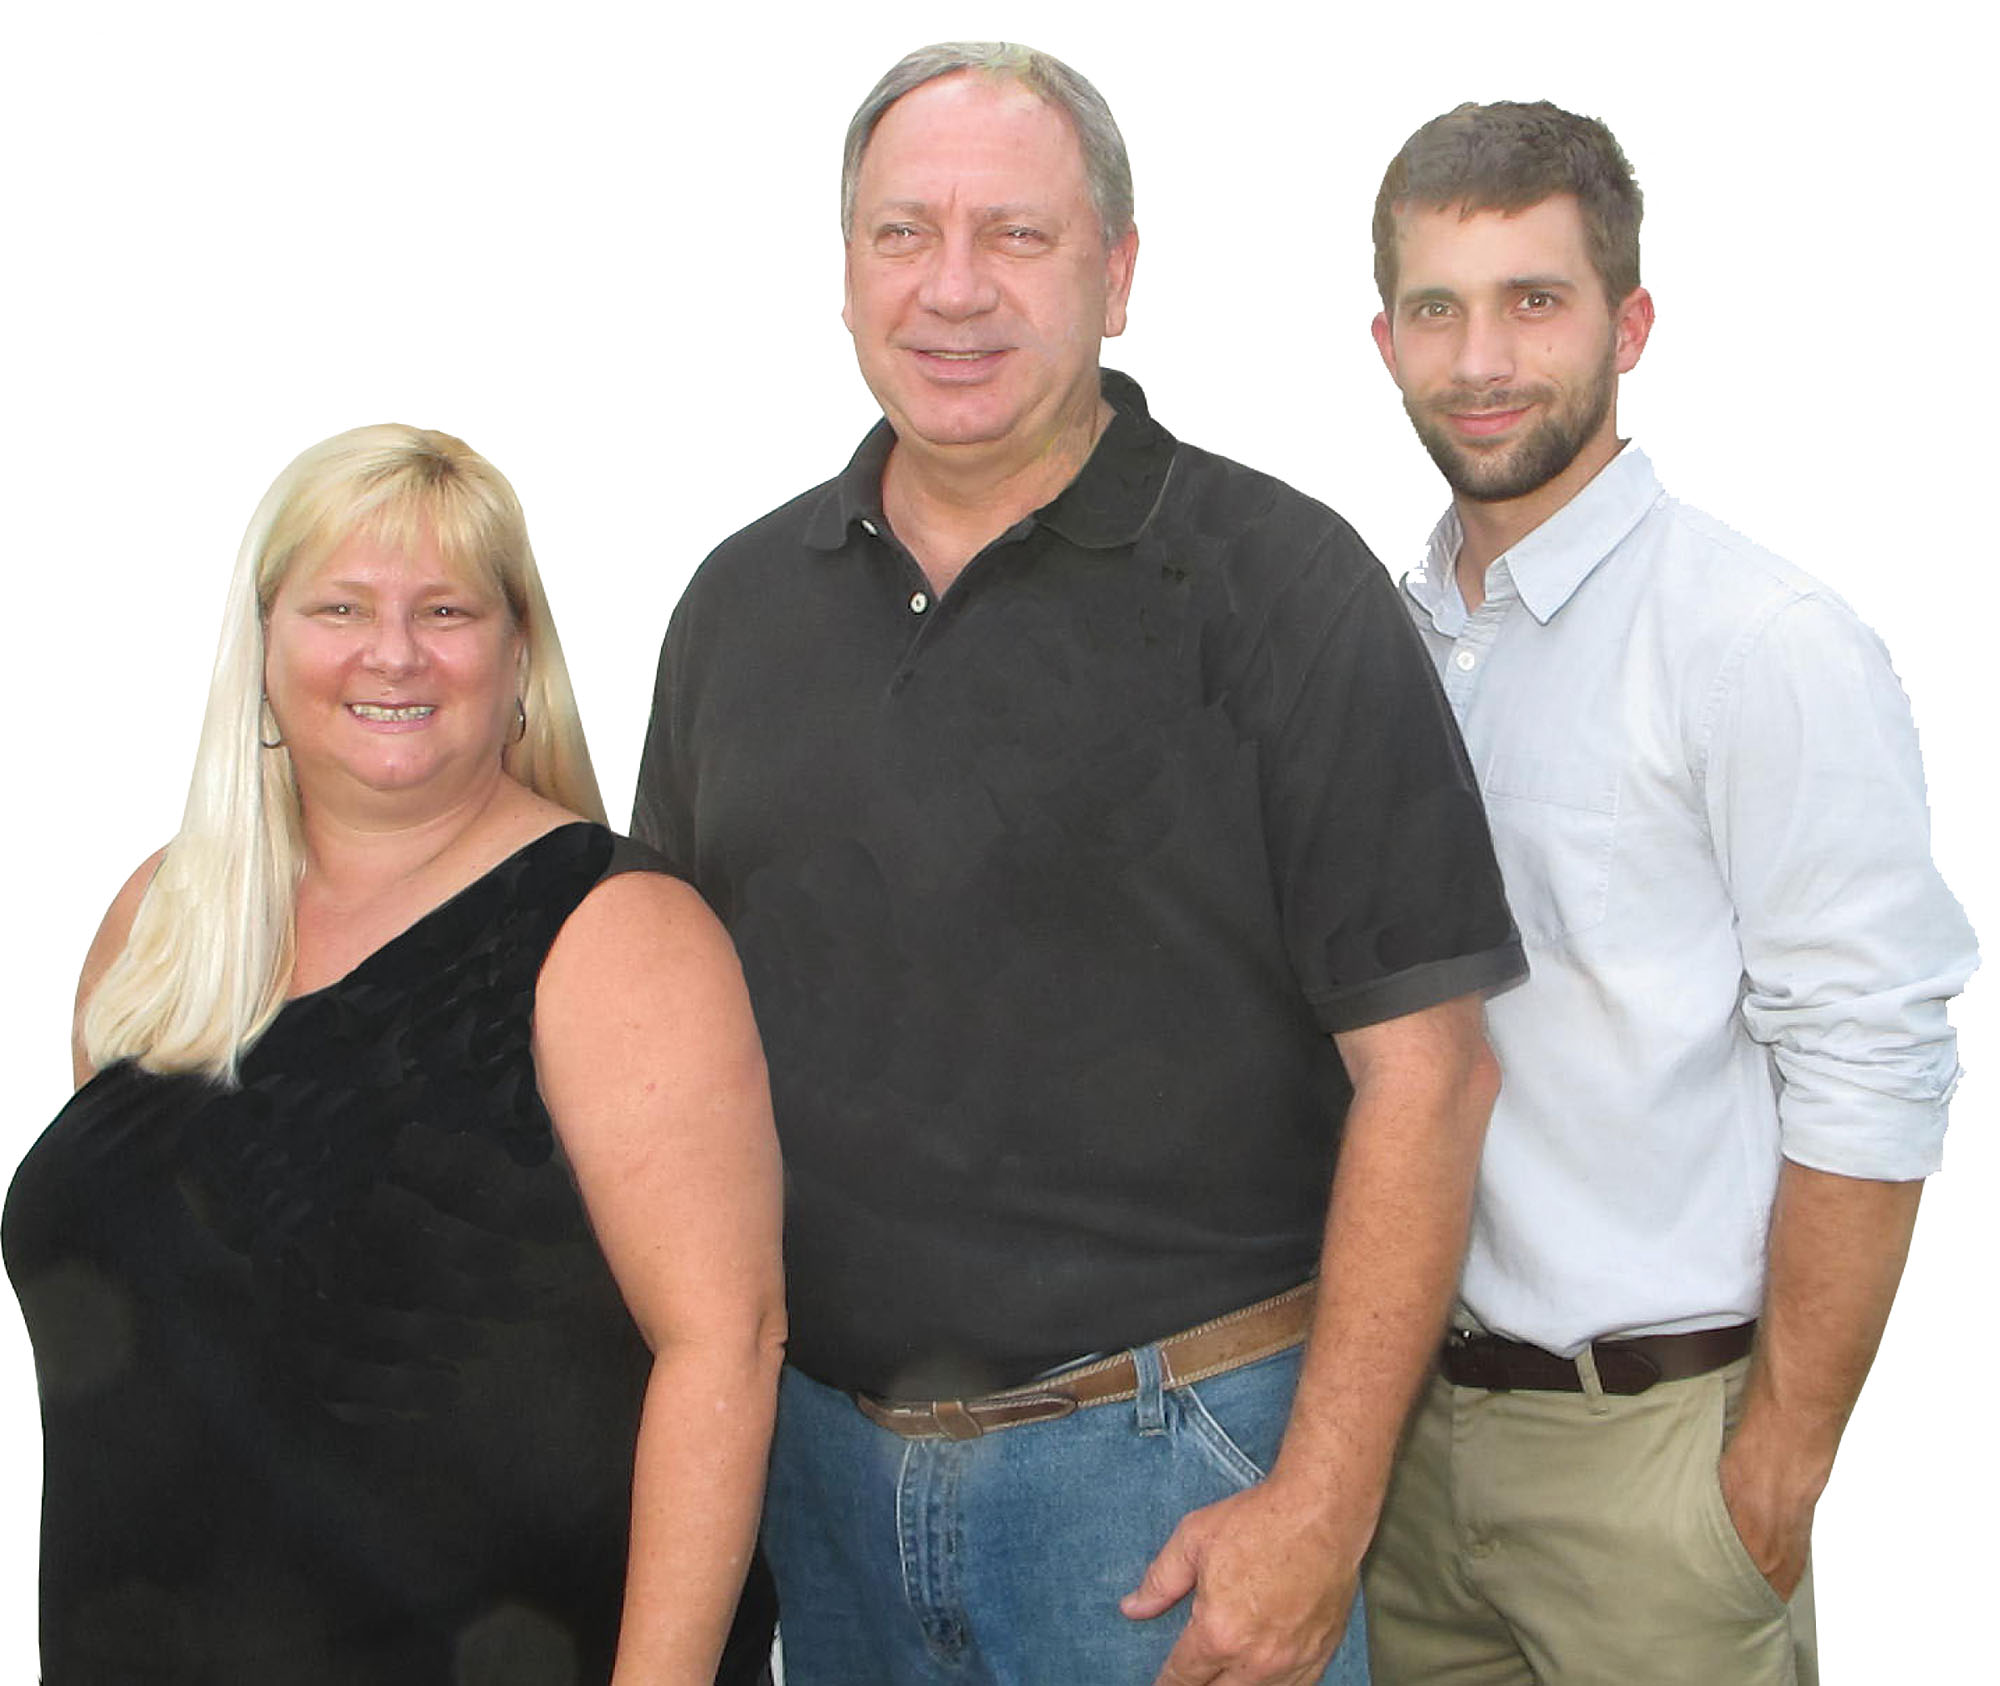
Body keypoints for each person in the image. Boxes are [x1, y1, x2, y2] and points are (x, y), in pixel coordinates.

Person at [633, 42, 1523, 1686]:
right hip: (819, 1489)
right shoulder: (738, 609)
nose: (953, 287)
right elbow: (660, 1059)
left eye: (1017, 235)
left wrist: (1322, 1506)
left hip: (1173, 1482)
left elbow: (1434, 1077)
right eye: (905, 234)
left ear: (1116, 275)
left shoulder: (1278, 583)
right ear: (847, 273)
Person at [3, 425, 786, 1685]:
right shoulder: (162, 921)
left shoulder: (615, 935)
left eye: (445, 610)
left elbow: (725, 1349)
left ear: (517, 654)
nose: (393, 651)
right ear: (264, 645)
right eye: (341, 607)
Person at [1360, 101, 1978, 1684]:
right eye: (1437, 307)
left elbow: (1873, 1051)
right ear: (1384, 340)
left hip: (1651, 1468)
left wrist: (1775, 1471)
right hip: (1397, 1453)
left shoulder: (1756, 643)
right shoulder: (1374, 646)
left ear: (1629, 325)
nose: (1481, 358)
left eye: (1534, 300)